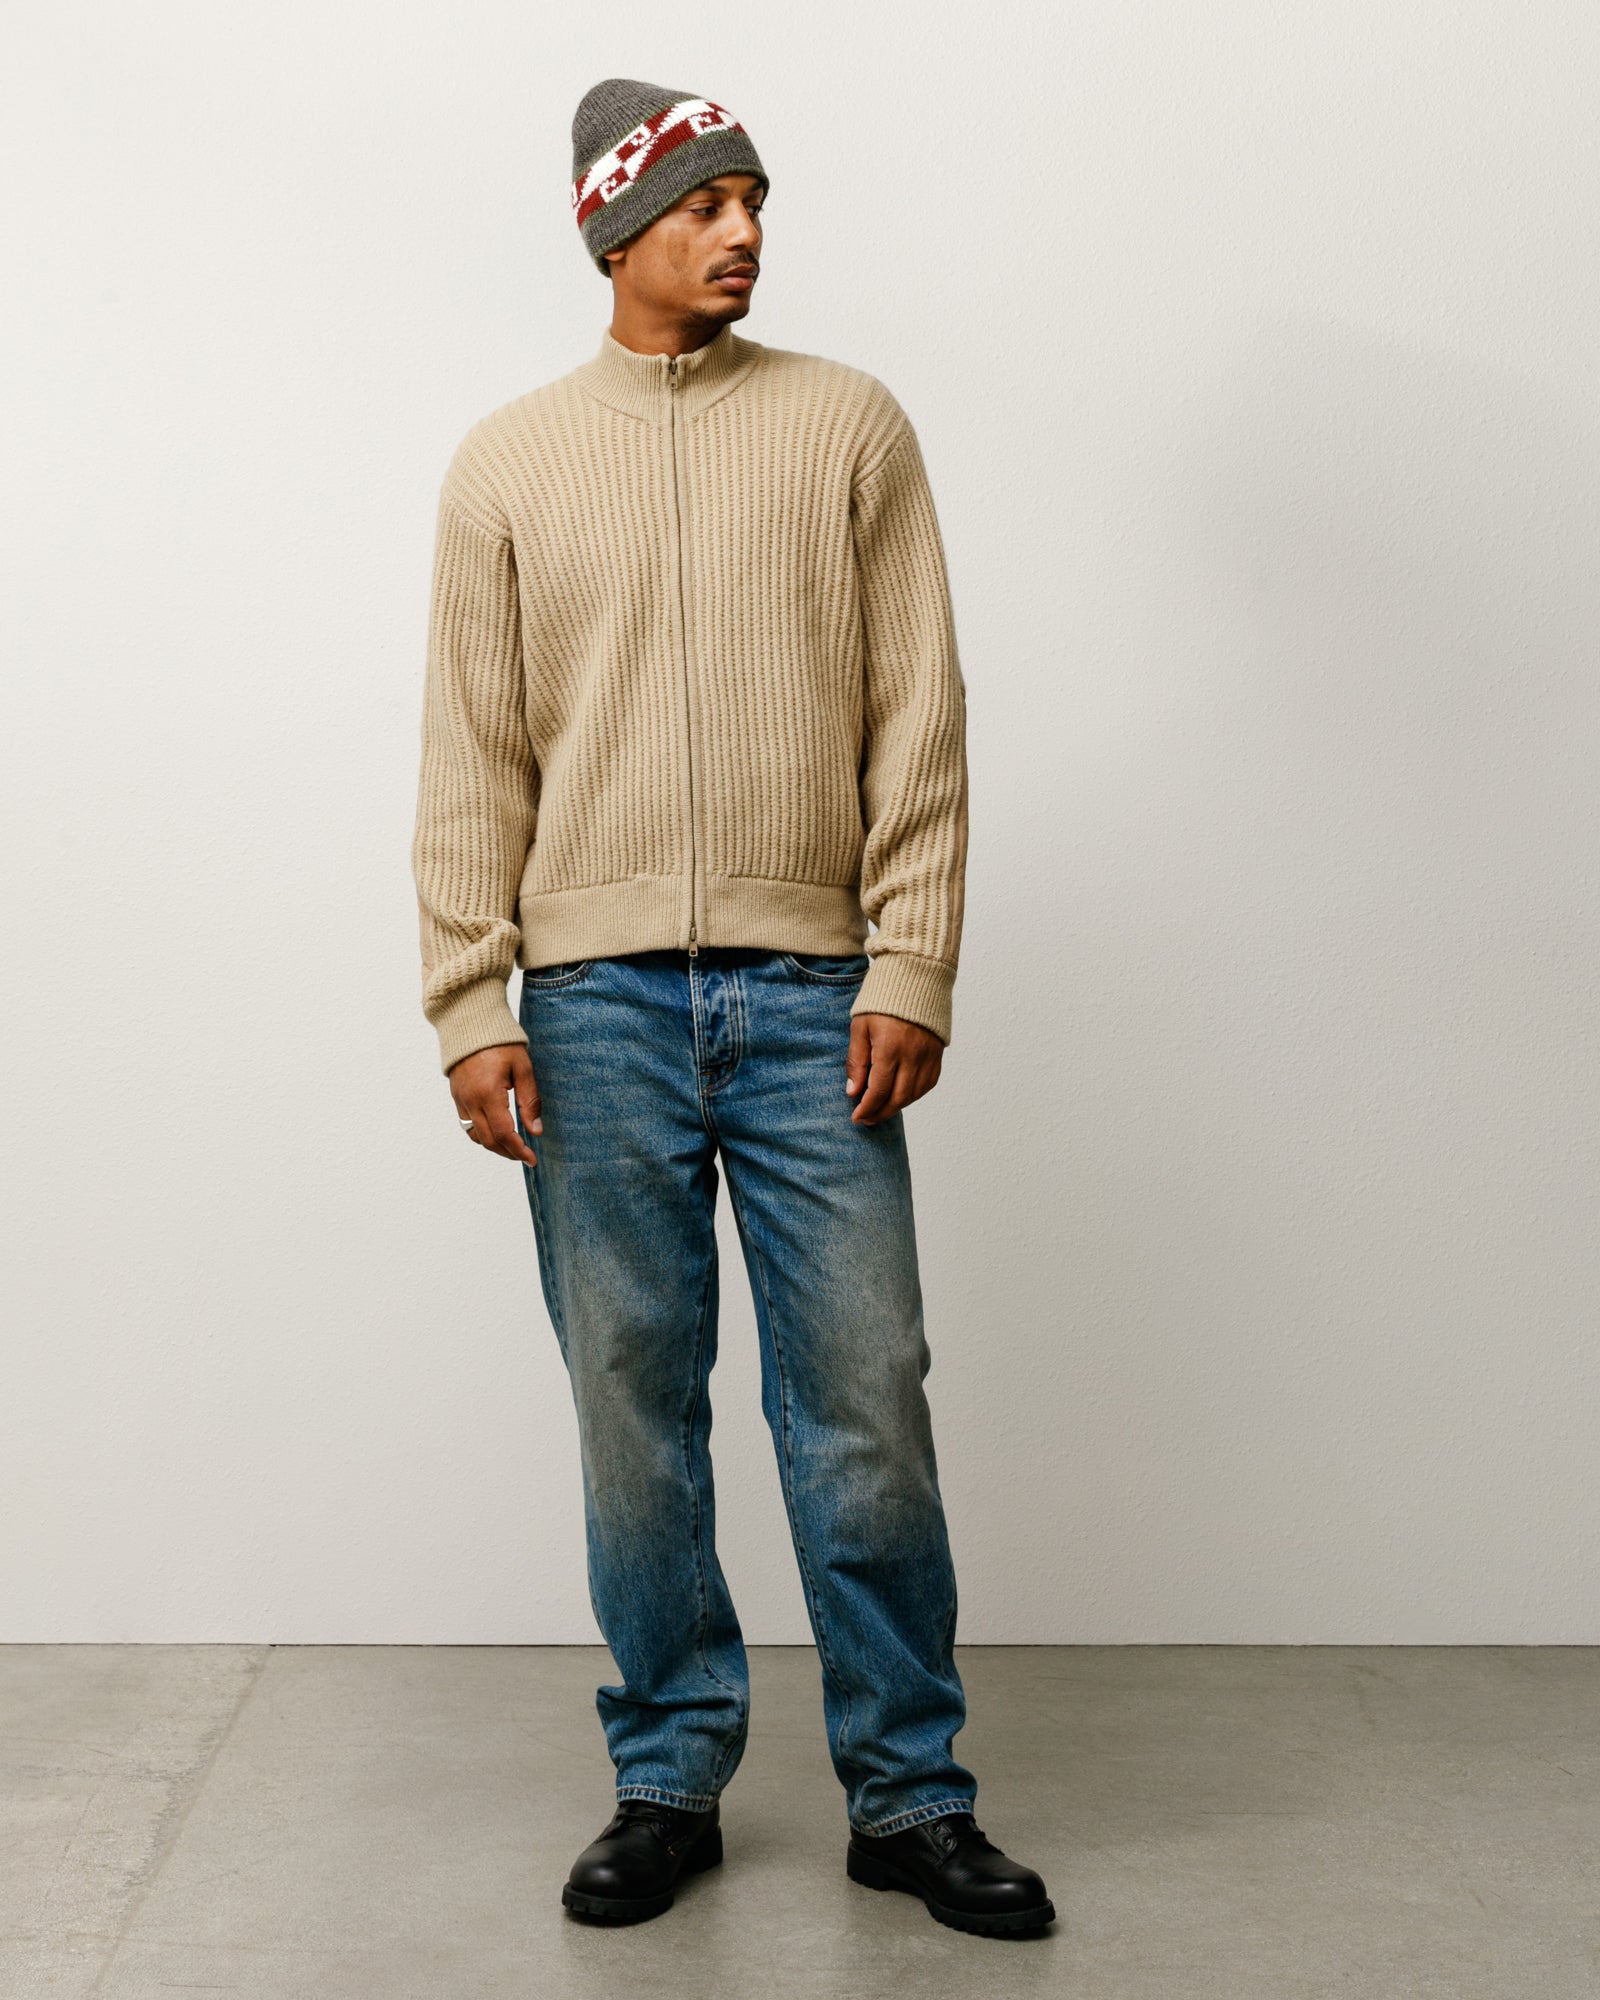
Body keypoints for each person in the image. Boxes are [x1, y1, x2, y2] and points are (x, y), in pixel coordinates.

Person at [409, 76, 1054, 1940]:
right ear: (616, 229)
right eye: (704, 204)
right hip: (589, 1007)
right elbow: (472, 749)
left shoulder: (849, 425)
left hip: (810, 993)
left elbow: (918, 711)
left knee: (863, 1399)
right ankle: (668, 1777)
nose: (744, 231)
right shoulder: (509, 463)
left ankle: (910, 1794)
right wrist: (471, 998)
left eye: (755, 199)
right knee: (634, 1408)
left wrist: (911, 957)